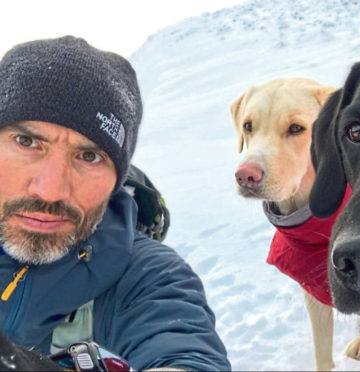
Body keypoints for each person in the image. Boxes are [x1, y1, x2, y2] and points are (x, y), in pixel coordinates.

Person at [0, 36, 231, 371]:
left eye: (89, 156)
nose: (50, 190)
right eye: (26, 141)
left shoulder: (147, 275)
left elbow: (187, 355)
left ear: (116, 181)